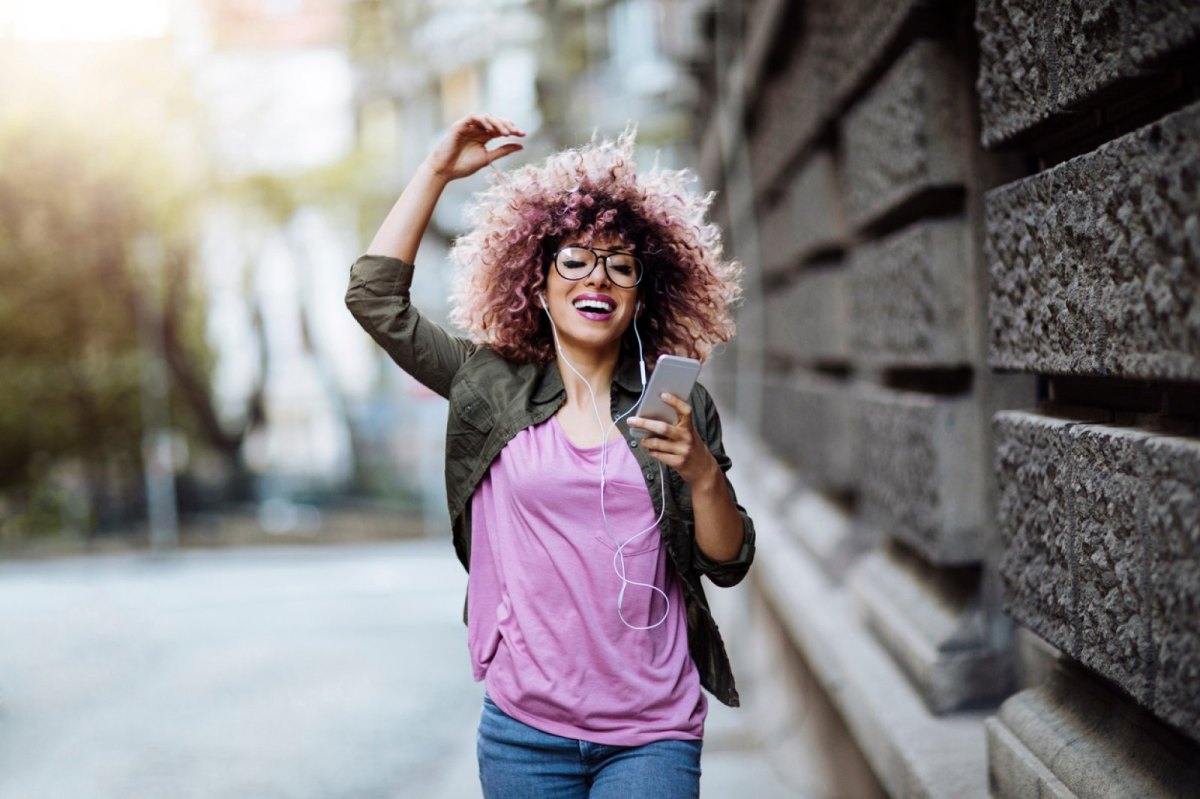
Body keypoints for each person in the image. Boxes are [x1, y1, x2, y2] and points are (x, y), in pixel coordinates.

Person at [345, 113, 755, 798]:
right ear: (537, 284)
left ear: (639, 298)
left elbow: (729, 560)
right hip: (525, 732)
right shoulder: (488, 384)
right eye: (575, 259)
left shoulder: (677, 405)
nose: (599, 278)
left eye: (621, 266)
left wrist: (701, 472)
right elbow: (373, 298)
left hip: (652, 731)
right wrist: (435, 171)